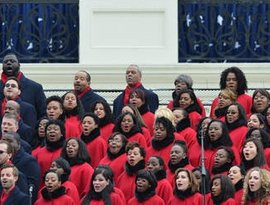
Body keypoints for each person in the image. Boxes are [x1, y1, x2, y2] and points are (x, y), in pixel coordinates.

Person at [0, 53, 46, 119]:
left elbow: (42, 114)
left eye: (12, 61)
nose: (9, 63)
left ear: (19, 65)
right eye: (5, 62)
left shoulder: (35, 88)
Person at [2, 132, 41, 203]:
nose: (7, 143)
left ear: (18, 143)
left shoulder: (29, 161)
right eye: (4, 140)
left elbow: (32, 188)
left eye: (10, 141)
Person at [33, 119, 65, 189]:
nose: (52, 131)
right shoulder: (38, 152)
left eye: (55, 129)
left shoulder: (65, 151)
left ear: (62, 133)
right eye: (49, 129)